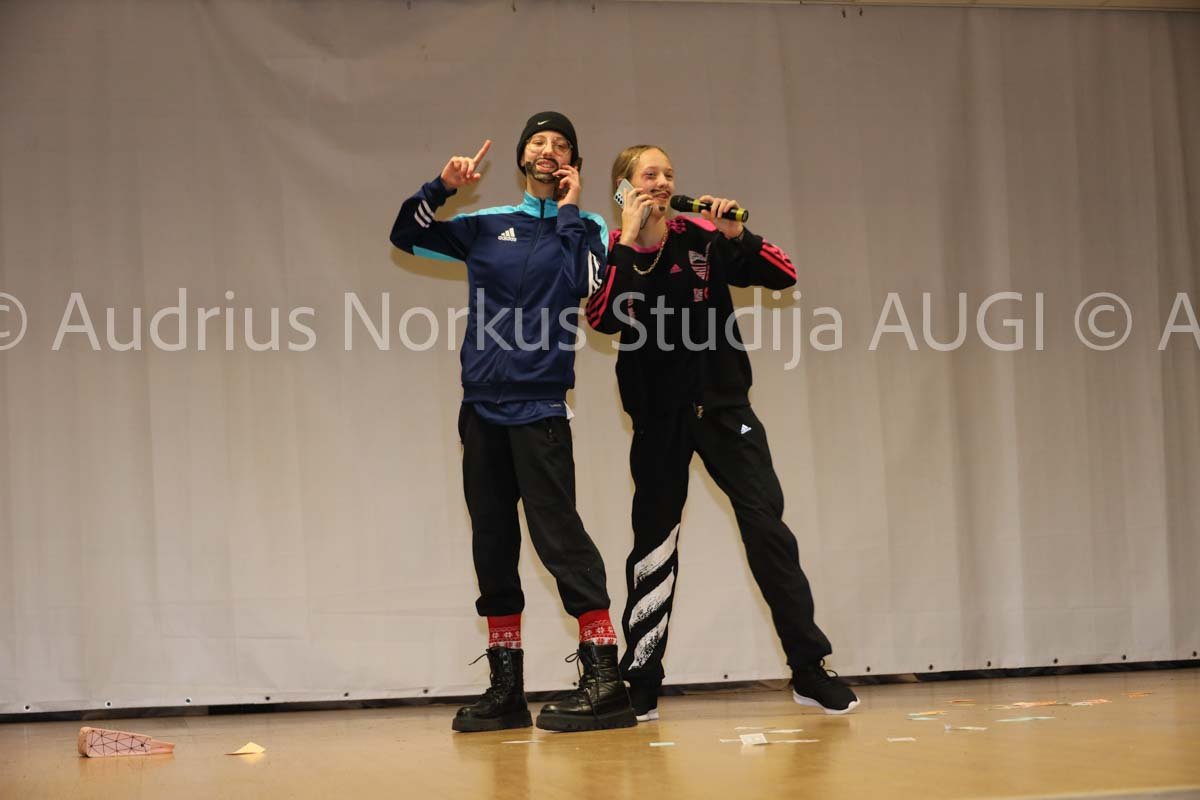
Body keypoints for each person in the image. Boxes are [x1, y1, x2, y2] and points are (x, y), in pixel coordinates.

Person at [585, 144, 859, 722]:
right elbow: (602, 317)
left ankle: (810, 670)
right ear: (623, 189)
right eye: (648, 175)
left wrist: (737, 234)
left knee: (767, 530)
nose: (662, 182)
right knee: (654, 546)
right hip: (658, 418)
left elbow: (784, 275)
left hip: (725, 407)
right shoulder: (612, 249)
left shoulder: (703, 235)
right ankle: (642, 679)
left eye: (668, 173)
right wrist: (630, 240)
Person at [389, 112, 635, 733]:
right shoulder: (486, 224)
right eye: (538, 141)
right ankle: (506, 691)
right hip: (481, 408)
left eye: (561, 144)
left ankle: (605, 679)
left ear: (573, 162)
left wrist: (569, 211)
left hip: (540, 407)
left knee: (559, 537)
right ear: (523, 156)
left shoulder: (588, 226)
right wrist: (442, 188)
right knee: (492, 541)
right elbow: (405, 234)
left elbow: (583, 283)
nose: (548, 149)